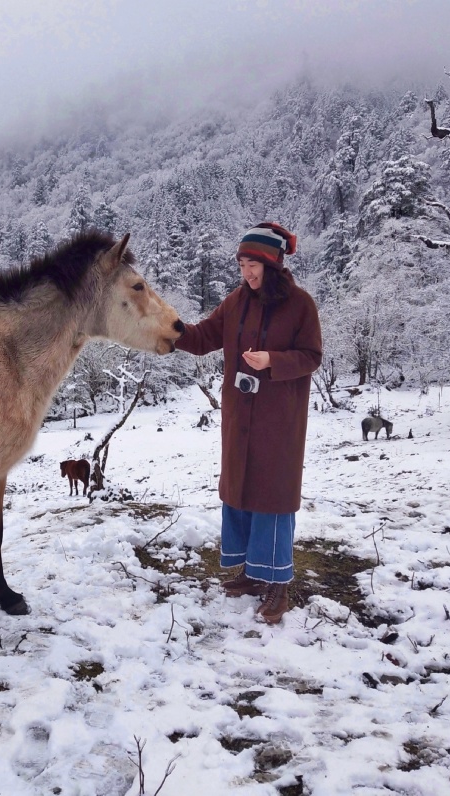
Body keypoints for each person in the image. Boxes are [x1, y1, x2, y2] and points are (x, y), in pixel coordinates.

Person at [176, 222, 322, 624]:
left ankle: (278, 583)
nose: (247, 272)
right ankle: (253, 572)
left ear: (272, 263)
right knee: (240, 489)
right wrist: (171, 331)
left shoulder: (300, 305)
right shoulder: (236, 301)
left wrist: (274, 360)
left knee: (272, 493)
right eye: (241, 263)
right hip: (239, 413)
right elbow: (205, 336)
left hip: (279, 417)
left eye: (253, 264)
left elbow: (312, 356)